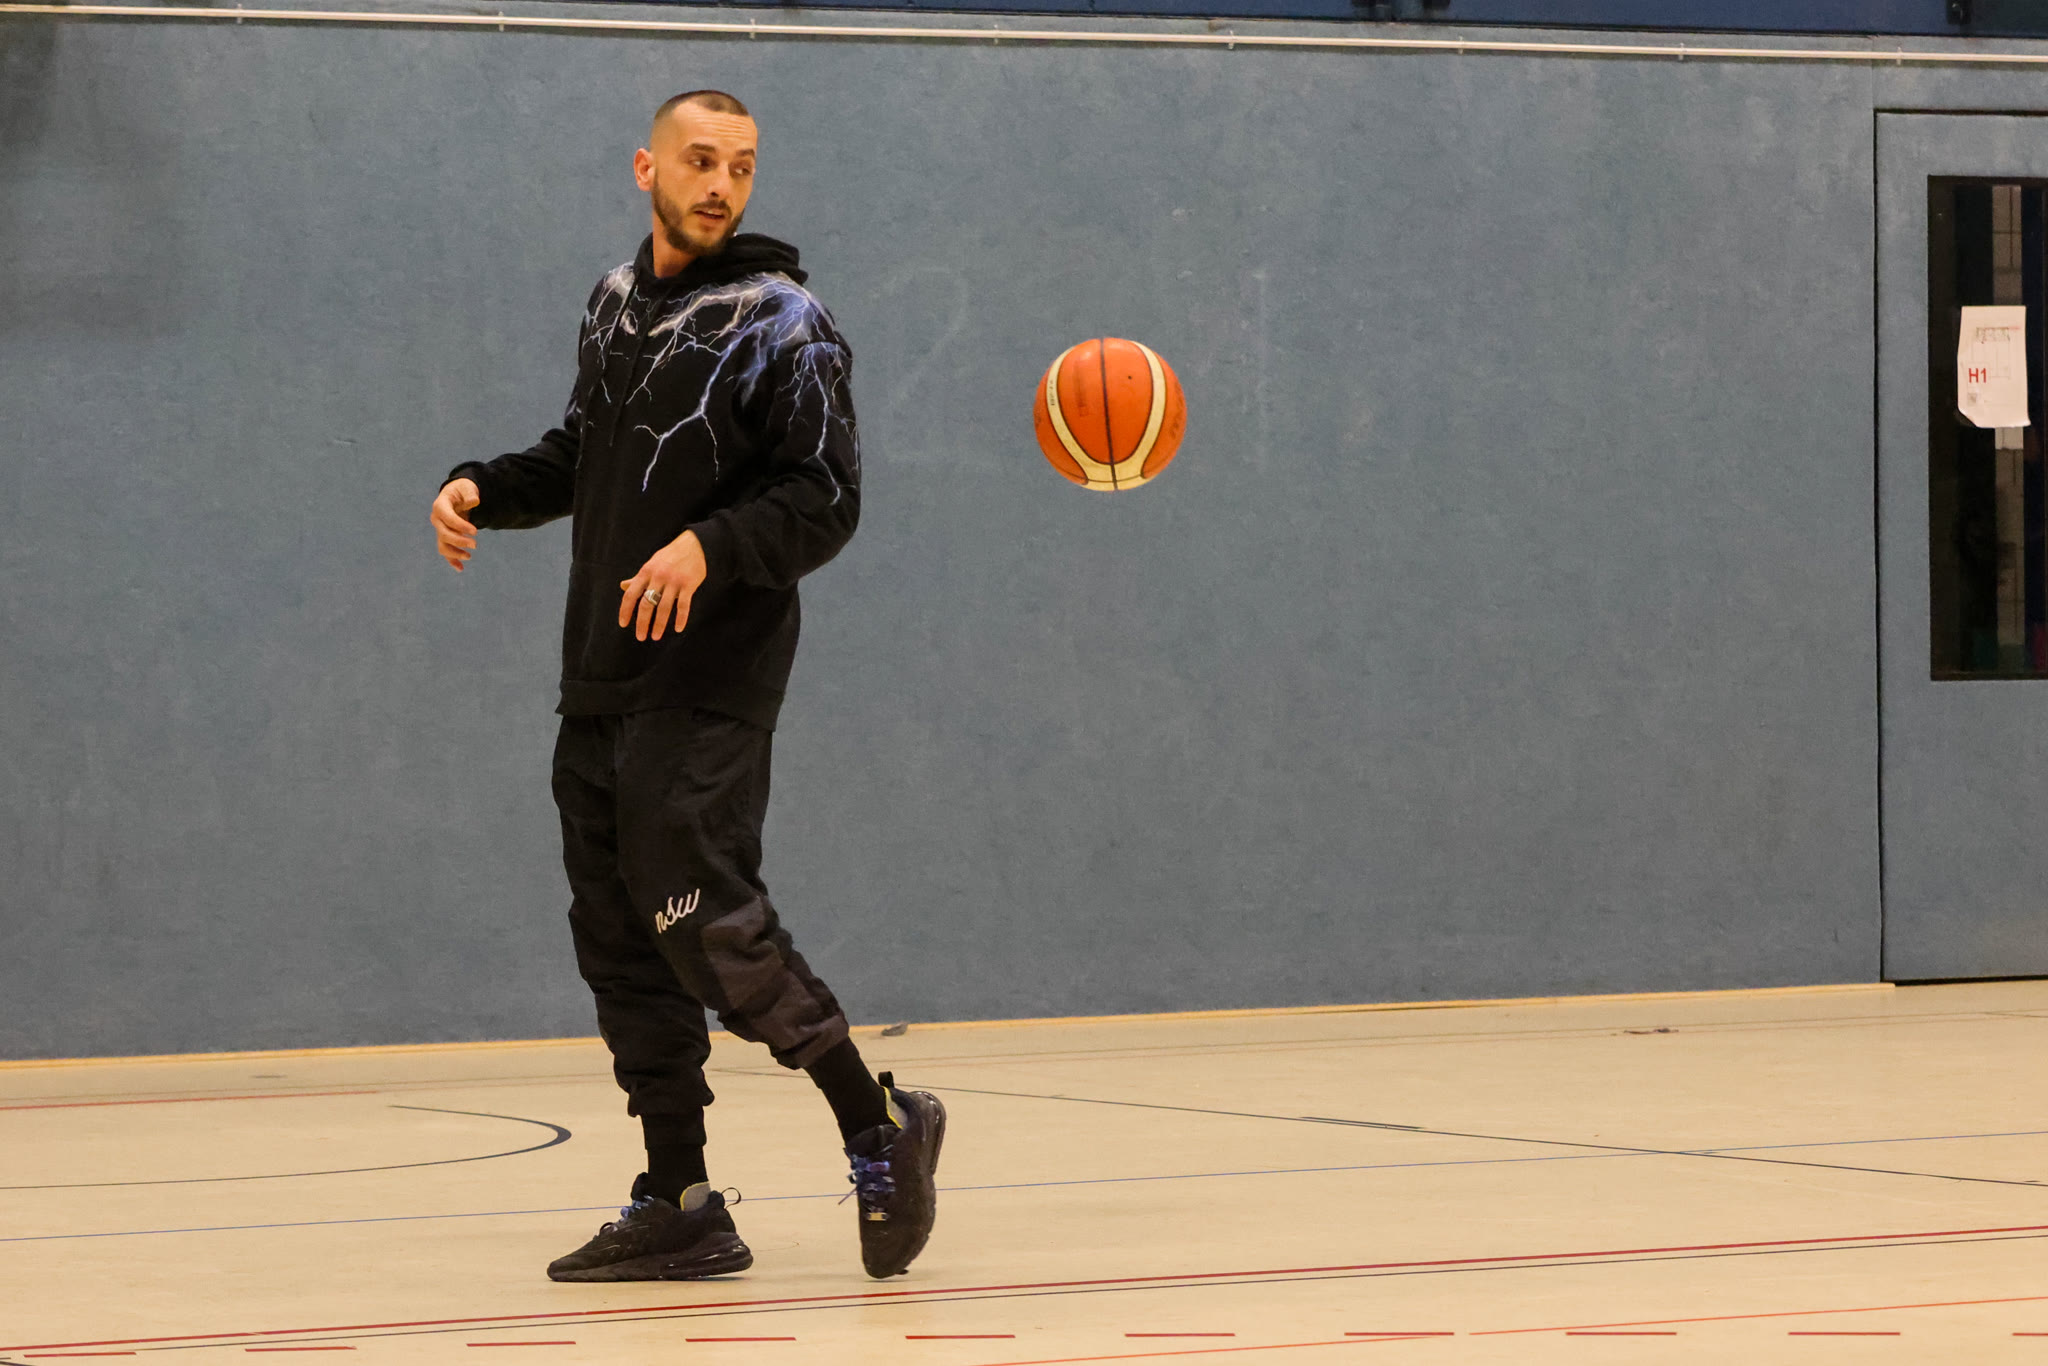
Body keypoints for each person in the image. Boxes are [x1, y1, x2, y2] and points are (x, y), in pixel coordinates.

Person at [427, 89, 943, 1283]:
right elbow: (583, 454)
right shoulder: (614, 302)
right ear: (645, 167)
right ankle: (681, 1198)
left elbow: (823, 497)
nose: (720, 184)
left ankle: (876, 1120)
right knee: (618, 941)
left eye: (741, 166)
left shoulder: (784, 321)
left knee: (701, 919)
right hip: (601, 675)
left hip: (711, 675)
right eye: (700, 161)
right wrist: (482, 487)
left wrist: (709, 547)